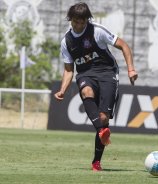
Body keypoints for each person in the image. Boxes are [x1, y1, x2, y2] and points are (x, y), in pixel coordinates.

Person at [54, 2, 138, 172]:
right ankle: (101, 134)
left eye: (82, 22)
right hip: (85, 74)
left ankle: (96, 158)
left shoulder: (97, 31)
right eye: (75, 22)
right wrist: (63, 89)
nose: (78, 26)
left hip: (107, 72)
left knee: (103, 117)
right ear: (70, 20)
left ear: (87, 21)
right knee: (86, 91)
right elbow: (69, 70)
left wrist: (131, 69)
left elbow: (124, 45)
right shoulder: (67, 41)